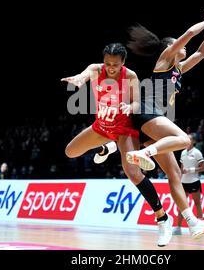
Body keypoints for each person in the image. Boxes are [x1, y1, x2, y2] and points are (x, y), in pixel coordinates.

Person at [95, 10, 204, 238]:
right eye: (179, 45)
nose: (185, 49)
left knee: (174, 174)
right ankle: (144, 152)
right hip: (146, 111)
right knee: (184, 140)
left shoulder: (179, 69)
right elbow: (190, 33)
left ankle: (193, 224)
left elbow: (201, 53)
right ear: (172, 47)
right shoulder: (165, 59)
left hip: (154, 119)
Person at [62, 43, 174, 246]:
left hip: (124, 130)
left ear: (123, 62)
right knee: (70, 152)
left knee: (133, 173)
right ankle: (107, 146)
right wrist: (79, 79)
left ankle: (163, 218)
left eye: (115, 64)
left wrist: (129, 106)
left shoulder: (129, 76)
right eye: (107, 63)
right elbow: (84, 74)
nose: (110, 67)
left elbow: (137, 103)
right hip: (101, 127)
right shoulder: (96, 69)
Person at [173, 134, 204, 235]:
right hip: (184, 182)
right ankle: (178, 228)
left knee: (197, 204)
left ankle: (201, 226)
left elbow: (203, 167)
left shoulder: (197, 153)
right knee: (182, 205)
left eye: (189, 139)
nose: (187, 140)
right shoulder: (183, 152)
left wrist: (191, 170)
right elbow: (182, 168)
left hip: (194, 181)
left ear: (194, 141)